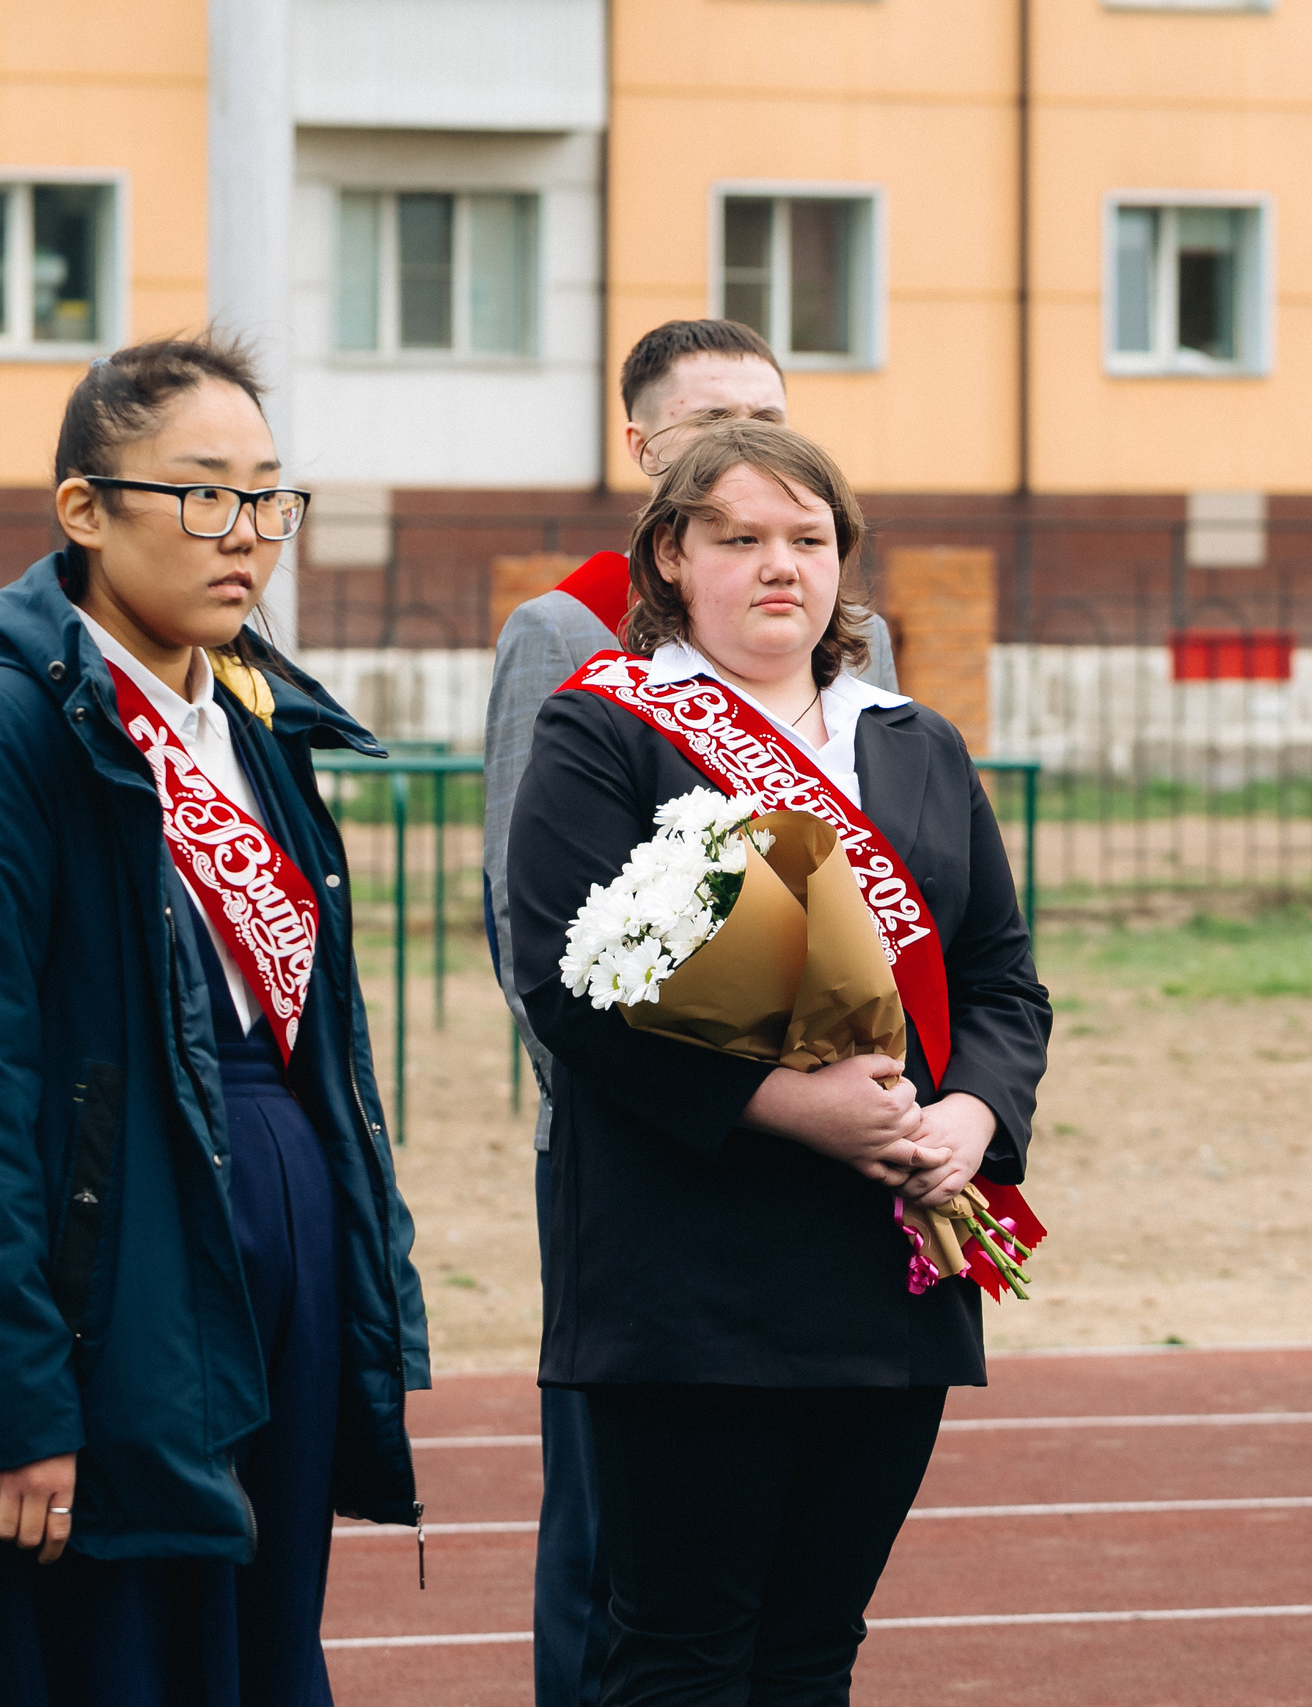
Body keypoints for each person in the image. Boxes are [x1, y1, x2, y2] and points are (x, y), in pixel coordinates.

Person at [0, 336, 433, 1705]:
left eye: (268, 498)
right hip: (113, 1277)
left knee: (256, 1655)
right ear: (84, 511)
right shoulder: (6, 731)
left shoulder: (255, 725)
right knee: (108, 1658)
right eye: (202, 495)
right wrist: (8, 1398)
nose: (247, 537)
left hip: (271, 1241)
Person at [506, 418, 1049, 1705]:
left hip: (884, 1264)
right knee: (682, 1651)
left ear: (842, 564)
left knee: (814, 1648)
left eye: (807, 540)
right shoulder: (606, 732)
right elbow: (569, 997)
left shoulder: (914, 742)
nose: (776, 567)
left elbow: (999, 978)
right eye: (738, 538)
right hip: (687, 1272)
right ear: (671, 560)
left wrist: (973, 1113)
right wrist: (793, 1108)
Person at [479, 317, 896, 1707]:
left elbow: (892, 895)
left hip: (850, 1155)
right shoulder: (565, 633)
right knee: (619, 1540)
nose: (752, 456)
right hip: (643, 1143)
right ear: (647, 457)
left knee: (796, 1600)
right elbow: (530, 919)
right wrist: (652, 1097)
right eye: (714, 428)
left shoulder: (855, 634)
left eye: (774, 419)